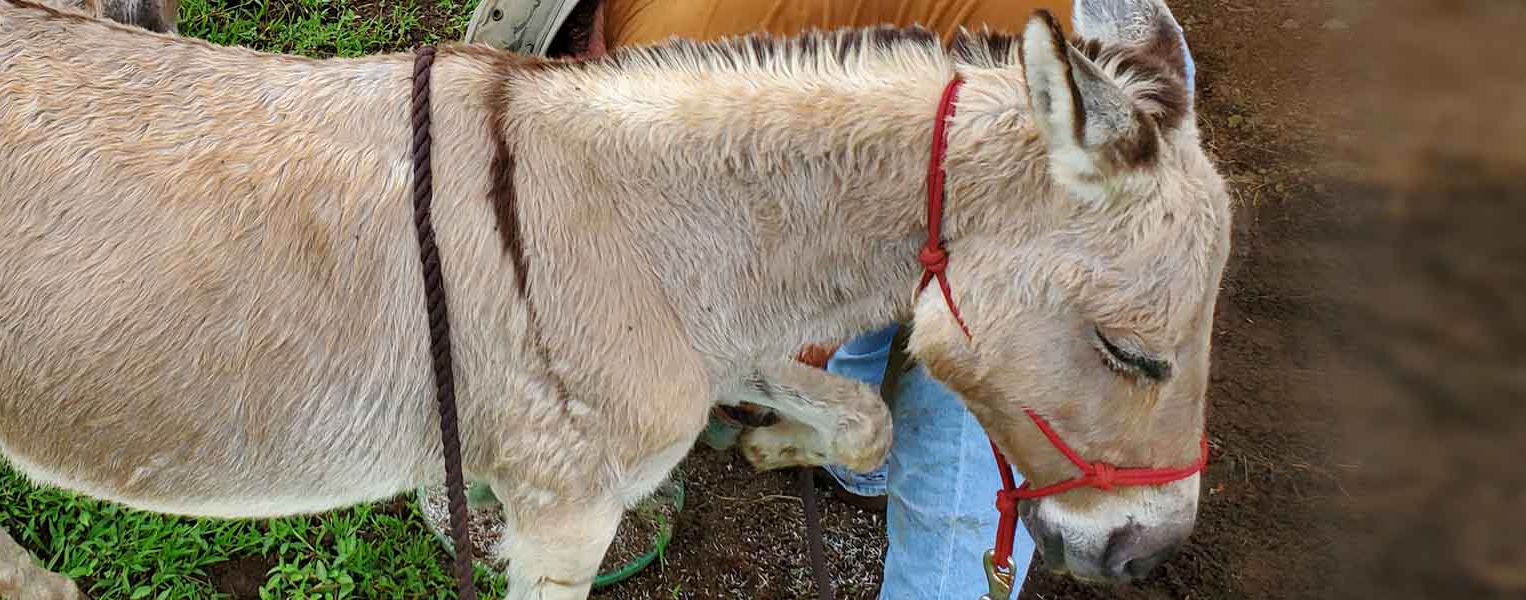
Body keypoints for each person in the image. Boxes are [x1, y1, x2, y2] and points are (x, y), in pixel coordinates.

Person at [463, 1, 1197, 597]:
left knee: (965, 417)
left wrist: (766, 347)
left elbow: (772, 249)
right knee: (878, 256)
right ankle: (861, 462)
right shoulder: (656, 50)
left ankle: (939, 573)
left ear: (574, 55)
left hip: (1060, 136)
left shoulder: (671, 85)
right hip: (1030, 75)